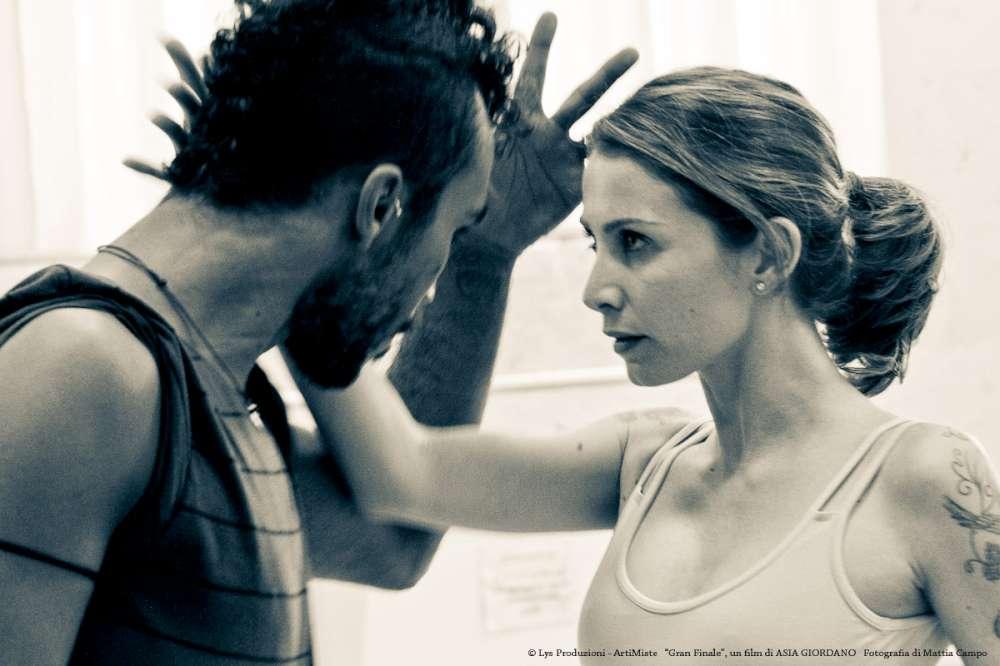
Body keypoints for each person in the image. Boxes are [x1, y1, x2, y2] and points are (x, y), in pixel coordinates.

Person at [0, 0, 638, 662]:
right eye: (455, 230)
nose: (433, 282)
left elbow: (395, 535)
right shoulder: (81, 369)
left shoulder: (209, 397)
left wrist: (483, 255)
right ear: (380, 205)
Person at [302, 66, 1000, 663]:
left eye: (634, 242)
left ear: (767, 254)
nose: (596, 290)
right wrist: (299, 235)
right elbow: (400, 474)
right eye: (595, 244)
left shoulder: (924, 477)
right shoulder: (642, 461)